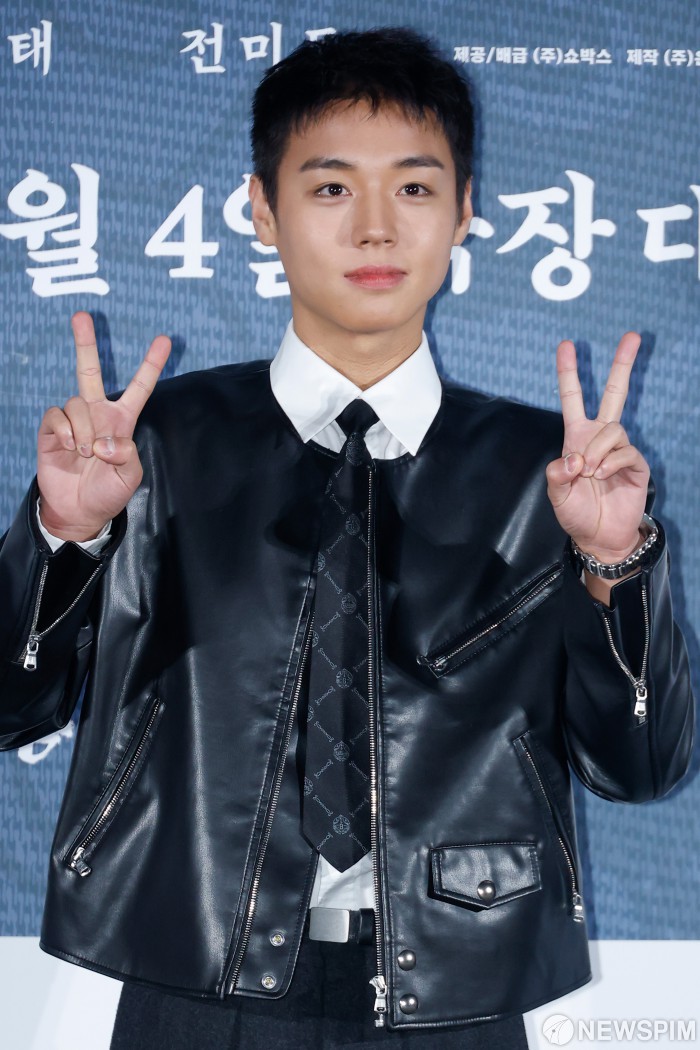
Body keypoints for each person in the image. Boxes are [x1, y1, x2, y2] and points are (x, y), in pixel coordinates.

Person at [0, 27, 693, 1050]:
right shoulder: (148, 448)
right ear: (262, 209)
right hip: (194, 980)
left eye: (413, 188)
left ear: (463, 210)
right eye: (330, 188)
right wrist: (67, 530)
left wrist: (612, 562)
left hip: (459, 988)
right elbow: (14, 707)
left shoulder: (548, 474)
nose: (375, 227)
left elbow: (640, 767)